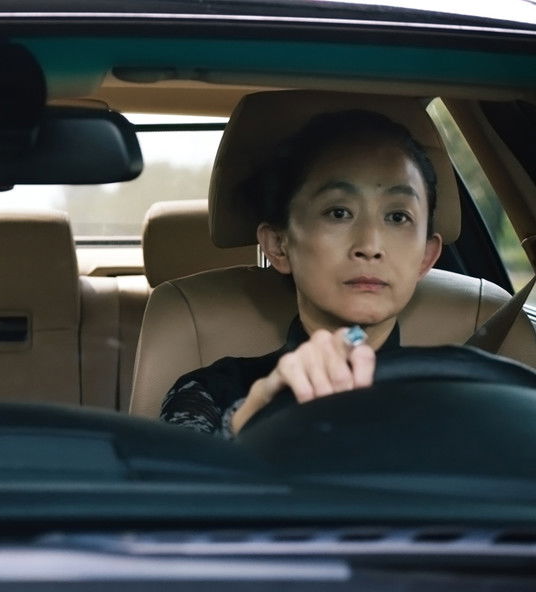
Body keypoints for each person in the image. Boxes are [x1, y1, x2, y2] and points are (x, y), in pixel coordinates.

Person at [160, 110, 443, 438]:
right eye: (338, 212)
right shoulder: (211, 393)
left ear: (426, 257)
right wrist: (250, 421)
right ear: (278, 245)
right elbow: (178, 471)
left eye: (397, 217)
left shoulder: (465, 394)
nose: (370, 246)